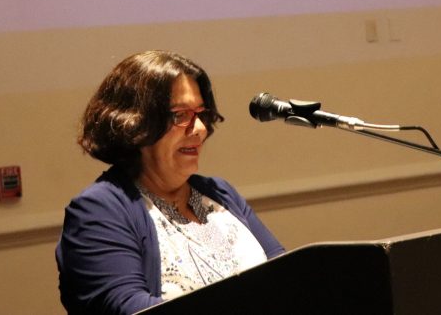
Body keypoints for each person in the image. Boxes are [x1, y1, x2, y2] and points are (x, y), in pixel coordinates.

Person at [56, 50, 284, 315]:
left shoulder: (220, 193)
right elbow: (128, 308)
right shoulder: (99, 210)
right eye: (180, 115)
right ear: (135, 122)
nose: (199, 129)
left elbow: (287, 277)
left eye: (200, 113)